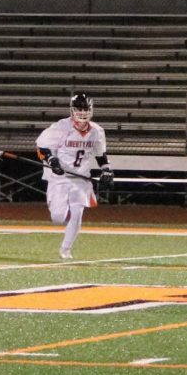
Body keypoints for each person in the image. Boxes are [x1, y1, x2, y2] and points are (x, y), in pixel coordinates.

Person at [35, 92, 113, 260]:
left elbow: (100, 155)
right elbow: (42, 147)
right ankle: (66, 211)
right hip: (60, 177)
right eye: (79, 109)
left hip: (81, 178)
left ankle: (66, 249)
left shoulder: (97, 131)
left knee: (77, 212)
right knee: (57, 217)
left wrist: (107, 170)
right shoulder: (61, 127)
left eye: (86, 109)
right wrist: (52, 160)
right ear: (72, 110)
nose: (83, 112)